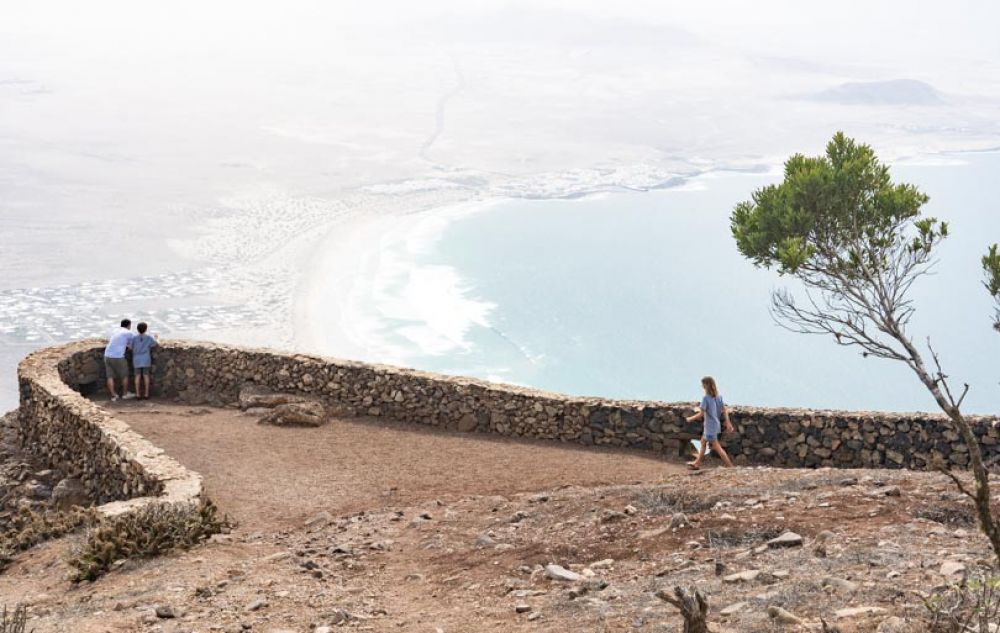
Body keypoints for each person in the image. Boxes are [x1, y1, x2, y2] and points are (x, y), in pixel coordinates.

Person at [685, 375, 735, 470]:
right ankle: (697, 463)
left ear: (707, 385)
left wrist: (690, 419)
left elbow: (701, 414)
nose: (702, 386)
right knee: (703, 442)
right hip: (715, 425)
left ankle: (731, 467)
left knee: (717, 447)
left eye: (703, 384)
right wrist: (728, 423)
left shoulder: (706, 398)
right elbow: (724, 410)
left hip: (710, 427)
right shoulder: (719, 397)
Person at [104, 318, 135, 401]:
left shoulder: (115, 331)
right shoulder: (128, 333)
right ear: (129, 325)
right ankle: (125, 394)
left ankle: (113, 395)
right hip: (118, 356)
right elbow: (134, 344)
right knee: (124, 375)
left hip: (107, 355)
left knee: (110, 376)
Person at [130, 322, 159, 400]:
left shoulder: (134, 338)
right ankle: (146, 394)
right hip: (145, 359)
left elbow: (130, 347)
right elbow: (155, 344)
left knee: (137, 376)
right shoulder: (149, 338)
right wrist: (156, 338)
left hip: (136, 359)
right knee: (146, 376)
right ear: (146, 329)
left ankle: (138, 394)